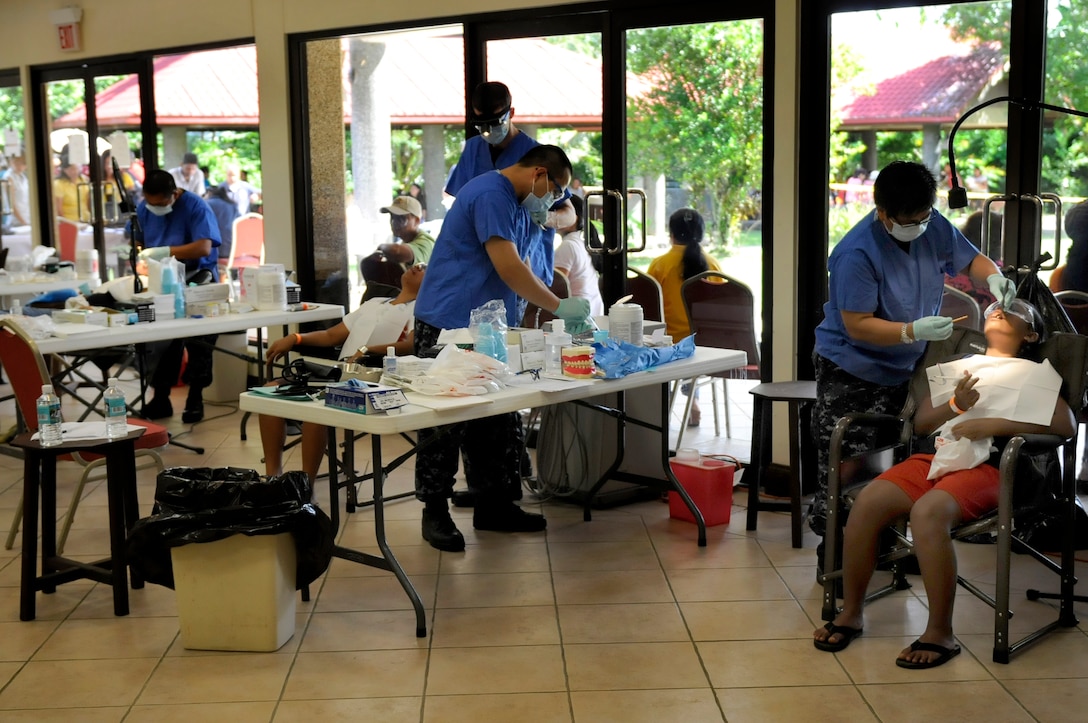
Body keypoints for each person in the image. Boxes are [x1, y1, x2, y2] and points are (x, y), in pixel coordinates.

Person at [813, 299, 1074, 668]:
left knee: (928, 513)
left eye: (1015, 309)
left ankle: (939, 633)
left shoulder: (1033, 373)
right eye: (996, 306)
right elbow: (922, 424)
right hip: (936, 457)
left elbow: (1066, 426)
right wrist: (956, 404)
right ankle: (851, 612)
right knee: (868, 502)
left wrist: (994, 424)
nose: (1000, 308)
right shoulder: (960, 366)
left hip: (990, 465)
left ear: (1030, 334)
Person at [810, 160, 1016, 551]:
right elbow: (857, 324)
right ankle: (834, 554)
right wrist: (911, 331)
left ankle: (888, 550)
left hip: (906, 367)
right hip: (852, 369)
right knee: (847, 466)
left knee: (895, 462)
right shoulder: (856, 253)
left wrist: (993, 276)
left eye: (925, 217)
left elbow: (970, 258)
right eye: (910, 221)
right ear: (883, 212)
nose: (920, 226)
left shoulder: (931, 223)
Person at [412, 144, 591, 552]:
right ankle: (434, 511)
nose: (553, 200)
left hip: (488, 326)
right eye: (554, 190)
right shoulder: (490, 194)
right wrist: (558, 305)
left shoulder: (519, 202)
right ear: (539, 173)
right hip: (449, 324)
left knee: (497, 417)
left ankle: (494, 505)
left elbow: (530, 259)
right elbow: (509, 267)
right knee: (445, 421)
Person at [260, 264, 424, 480]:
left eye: (425, 268)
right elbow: (331, 336)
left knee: (316, 411)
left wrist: (367, 350)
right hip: (339, 373)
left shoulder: (418, 309)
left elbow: (411, 345)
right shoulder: (374, 303)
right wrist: (295, 338)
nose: (417, 266)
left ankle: (306, 485)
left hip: (373, 378)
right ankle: (273, 476)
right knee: (269, 392)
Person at [444, 81, 575, 293]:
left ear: (511, 113)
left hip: (528, 262)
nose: (488, 131)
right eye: (482, 124)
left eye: (495, 123)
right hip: (480, 264)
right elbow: (461, 202)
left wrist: (547, 217)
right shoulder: (473, 149)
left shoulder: (537, 156)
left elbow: (570, 215)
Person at [134, 170, 222, 423]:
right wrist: (143, 256)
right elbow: (139, 240)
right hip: (163, 279)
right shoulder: (144, 209)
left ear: (174, 194)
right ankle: (160, 397)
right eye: (150, 202)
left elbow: (204, 246)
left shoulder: (196, 207)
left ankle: (195, 398)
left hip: (198, 277)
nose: (155, 207)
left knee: (199, 342)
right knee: (160, 340)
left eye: (160, 203)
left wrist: (165, 251)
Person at [647, 207, 722, 426]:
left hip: (668, 341)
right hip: (704, 342)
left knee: (672, 348)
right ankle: (693, 401)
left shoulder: (660, 265)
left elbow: (649, 306)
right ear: (701, 234)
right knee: (691, 347)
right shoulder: (712, 264)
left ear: (671, 234)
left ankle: (664, 405)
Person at [554, 194, 604, 317]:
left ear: (574, 217)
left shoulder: (568, 246)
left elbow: (556, 288)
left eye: (558, 212)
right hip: (593, 316)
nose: (553, 216)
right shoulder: (581, 243)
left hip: (578, 318)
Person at [362, 195, 435, 273]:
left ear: (416, 221)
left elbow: (397, 252)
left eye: (401, 218)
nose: (394, 222)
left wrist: (381, 247)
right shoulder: (406, 242)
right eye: (392, 217)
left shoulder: (426, 243)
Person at [204, 183, 240, 278]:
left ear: (209, 193)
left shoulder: (207, 204)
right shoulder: (232, 205)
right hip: (233, 249)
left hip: (217, 251)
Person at [53, 158, 89, 222]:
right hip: (69, 221)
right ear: (64, 170)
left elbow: (87, 201)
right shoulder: (58, 184)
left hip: (85, 219)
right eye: (71, 169)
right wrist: (67, 224)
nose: (75, 171)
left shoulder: (83, 180)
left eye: (76, 168)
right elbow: (59, 210)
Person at [2, 155, 30, 227]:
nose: (19, 166)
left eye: (23, 163)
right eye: (16, 162)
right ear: (11, 162)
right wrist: (23, 222)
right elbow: (11, 204)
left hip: (26, 217)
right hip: (16, 222)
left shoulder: (23, 177)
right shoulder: (8, 177)